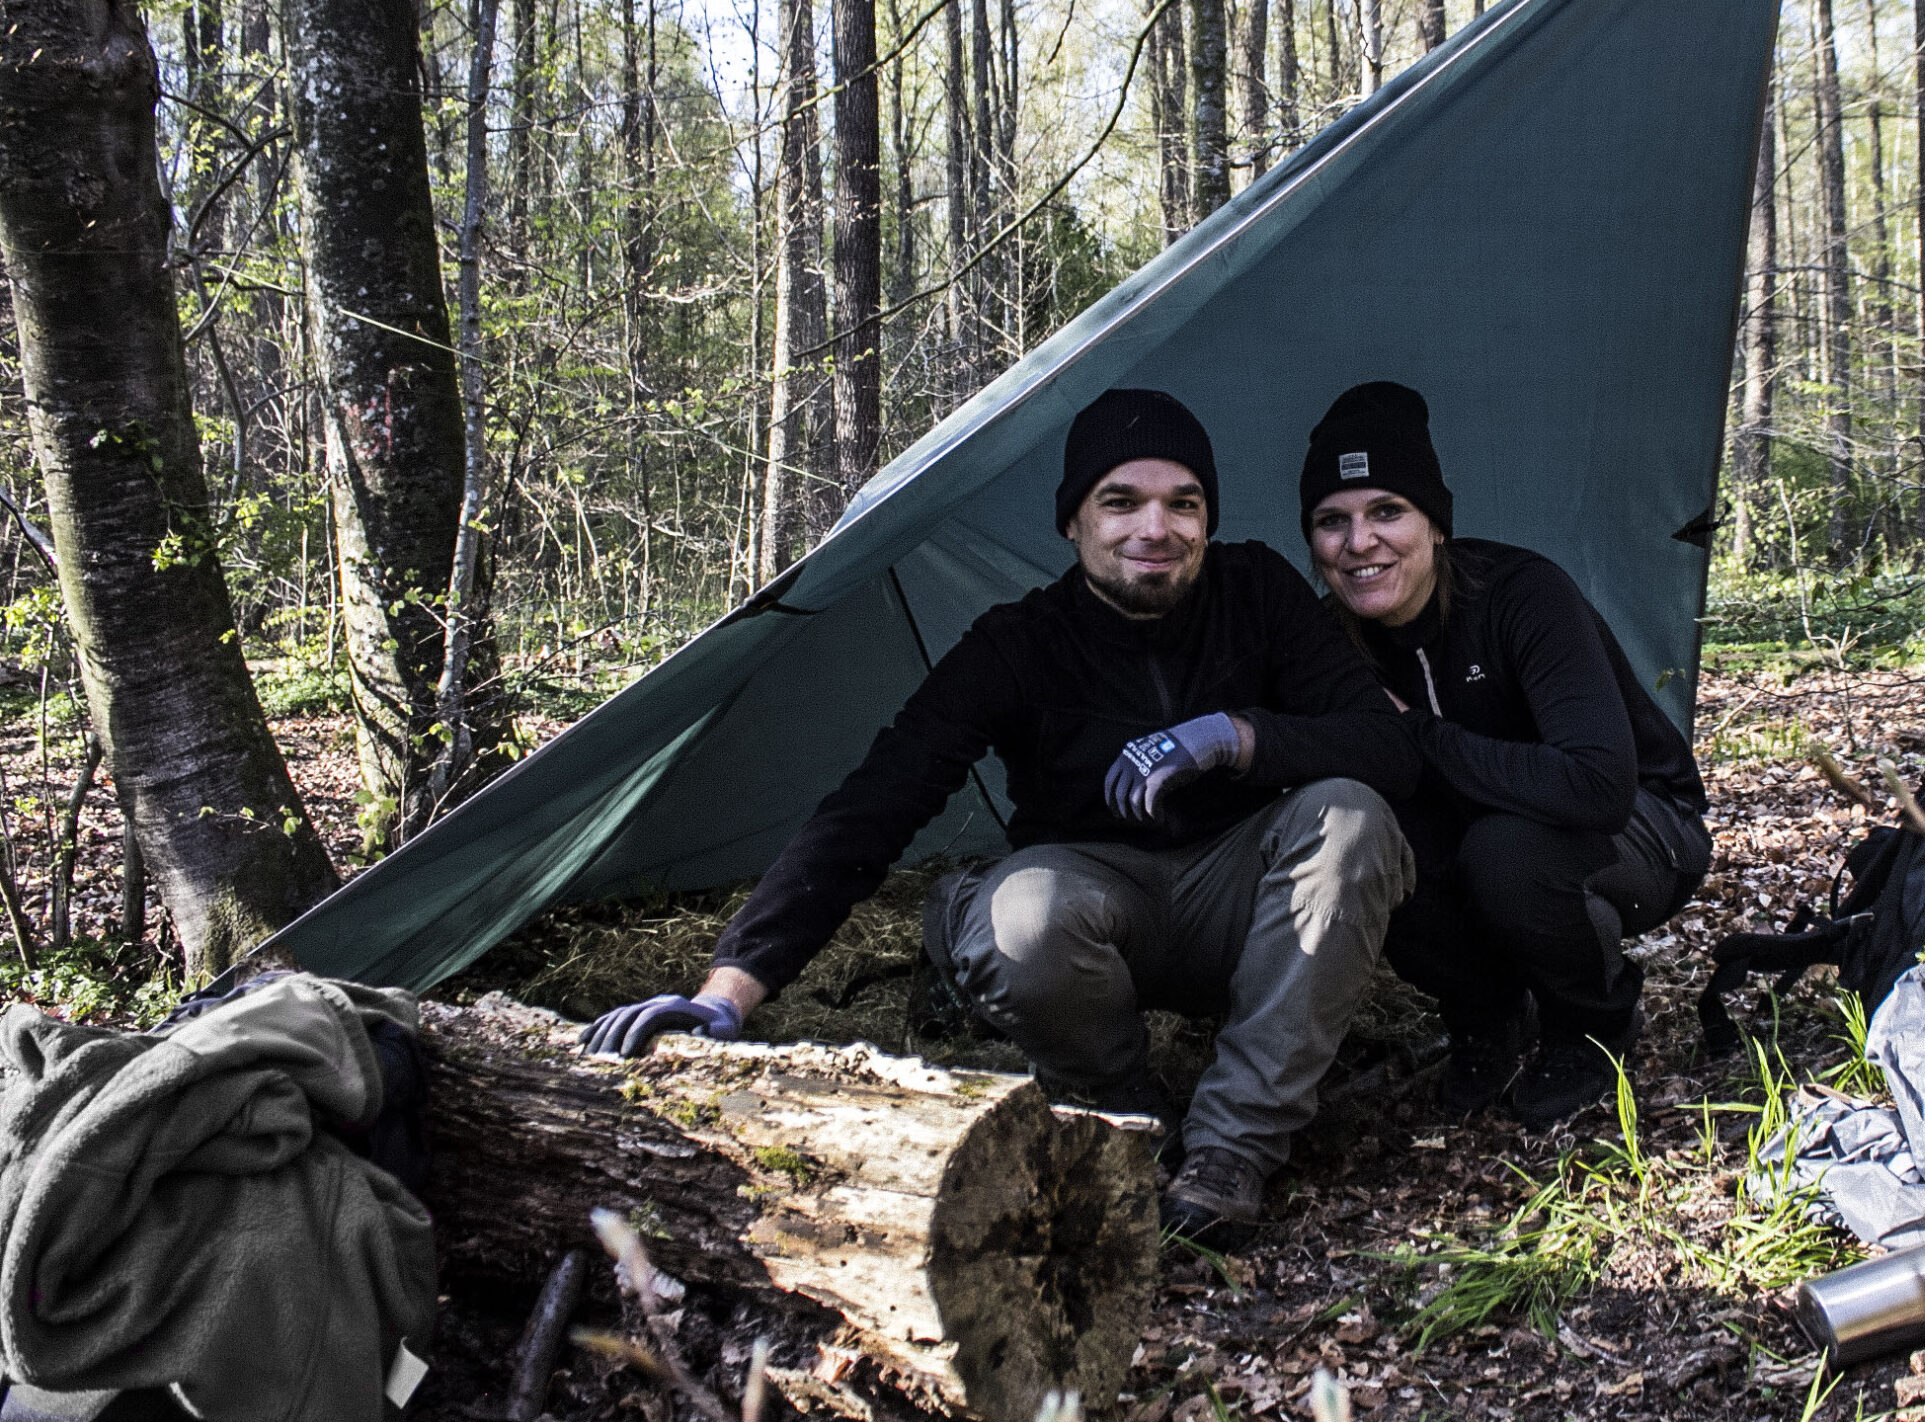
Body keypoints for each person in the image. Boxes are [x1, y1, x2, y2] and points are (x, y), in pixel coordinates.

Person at [584, 388, 1418, 1245]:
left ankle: (1229, 1151)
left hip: (1239, 901)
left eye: (1183, 502)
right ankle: (1123, 1112)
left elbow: (1387, 748)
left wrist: (1237, 737)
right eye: (1121, 501)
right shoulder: (1019, 643)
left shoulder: (1260, 593)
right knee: (1023, 916)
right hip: (1091, 910)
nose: (1155, 528)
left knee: (1352, 815)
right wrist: (729, 991)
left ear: (1208, 518)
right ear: (1073, 522)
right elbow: (876, 804)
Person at [1298, 381, 1712, 1130]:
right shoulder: (1330, 643)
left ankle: (1593, 1024)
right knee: (1381, 845)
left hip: (1644, 825)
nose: (1360, 543)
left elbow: (1596, 784)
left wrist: (1421, 735)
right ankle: (1488, 1018)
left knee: (1505, 851)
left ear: (1436, 524)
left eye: (1387, 511)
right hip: (1476, 831)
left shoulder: (1521, 595)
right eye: (1333, 521)